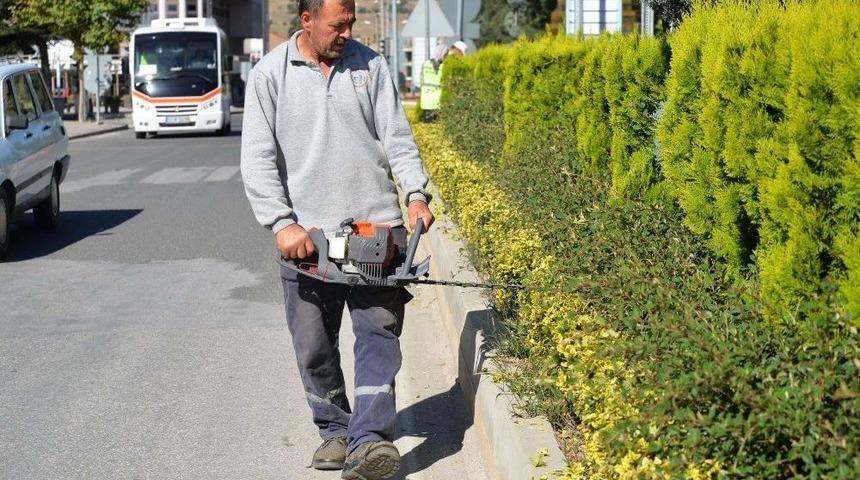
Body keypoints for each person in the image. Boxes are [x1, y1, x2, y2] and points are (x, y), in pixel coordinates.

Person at [239, 0, 434, 479]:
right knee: (314, 345)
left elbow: (397, 137)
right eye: (337, 24)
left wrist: (415, 193)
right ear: (306, 21)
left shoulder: (371, 66)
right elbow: (258, 159)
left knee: (377, 337)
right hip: (308, 243)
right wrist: (281, 224)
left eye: (350, 22)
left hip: (376, 233)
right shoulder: (269, 76)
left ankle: (370, 441)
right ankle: (336, 431)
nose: (348, 31)